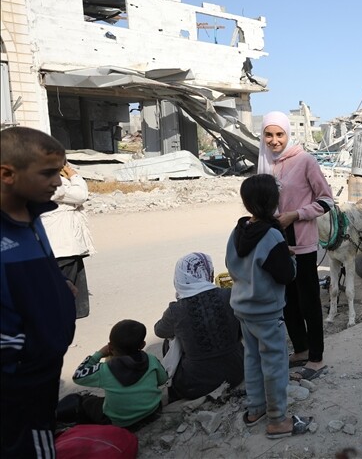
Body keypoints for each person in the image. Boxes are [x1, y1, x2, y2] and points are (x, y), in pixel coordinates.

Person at [1, 127, 76, 458]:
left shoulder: (32, 215)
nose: (58, 182)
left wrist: (58, 286)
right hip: (19, 378)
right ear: (7, 174)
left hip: (42, 365)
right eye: (48, 173)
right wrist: (24, 356)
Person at [226, 174, 311, 439]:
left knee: (252, 359)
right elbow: (286, 276)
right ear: (273, 201)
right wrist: (290, 257)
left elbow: (232, 265)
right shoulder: (272, 235)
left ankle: (255, 410)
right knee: (275, 365)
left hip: (243, 309)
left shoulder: (239, 230)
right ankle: (277, 421)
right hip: (266, 313)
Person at [257, 111, 332, 382]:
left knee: (309, 300)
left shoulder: (305, 161)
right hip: (276, 244)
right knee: (286, 301)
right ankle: (301, 349)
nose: (274, 140)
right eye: (269, 135)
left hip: (302, 244)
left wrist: (295, 215)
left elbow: (326, 200)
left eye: (279, 134)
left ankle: (316, 358)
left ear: (288, 134)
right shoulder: (265, 162)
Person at [154, 252, 244, 401]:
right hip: (237, 371)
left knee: (169, 339)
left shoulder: (176, 309)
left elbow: (159, 330)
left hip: (196, 384)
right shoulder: (229, 295)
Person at [65, 319, 167, 430]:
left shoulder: (105, 370)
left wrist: (99, 354)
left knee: (87, 402)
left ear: (110, 347)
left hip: (122, 422)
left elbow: (78, 376)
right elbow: (163, 379)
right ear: (143, 345)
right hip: (152, 412)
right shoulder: (151, 360)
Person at [41, 163, 95, 319]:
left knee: (73, 281)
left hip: (65, 243)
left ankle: (71, 314)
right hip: (61, 245)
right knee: (65, 285)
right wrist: (74, 176)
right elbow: (81, 195)